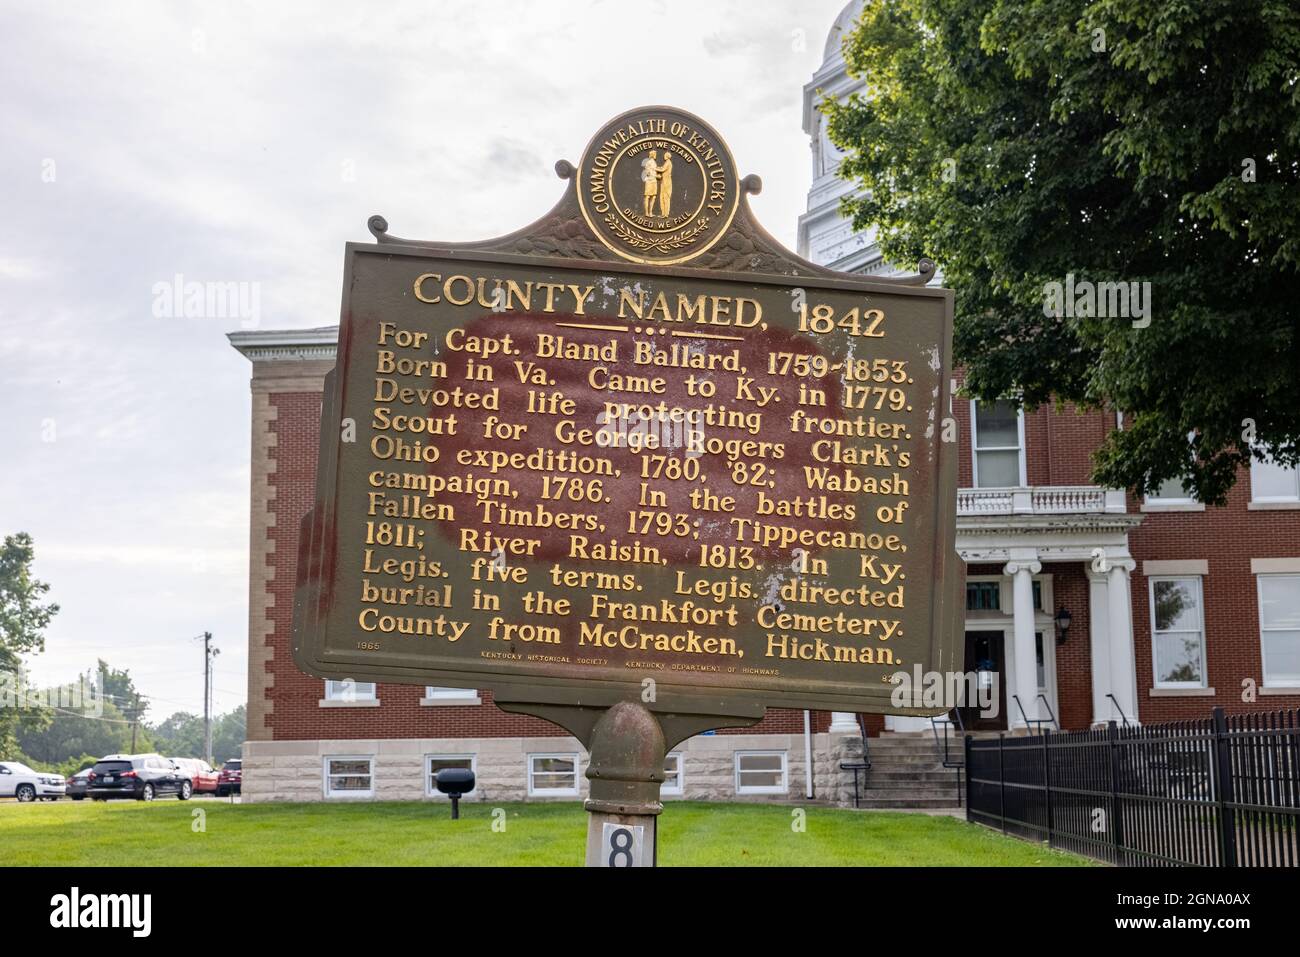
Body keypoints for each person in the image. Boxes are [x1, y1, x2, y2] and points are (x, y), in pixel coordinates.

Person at [641, 150, 660, 217]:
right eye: (655, 154)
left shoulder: (654, 162)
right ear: (652, 155)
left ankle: (651, 212)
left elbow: (654, 171)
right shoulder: (648, 162)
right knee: (647, 197)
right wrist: (656, 176)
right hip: (649, 181)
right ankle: (646, 213)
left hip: (654, 181)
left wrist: (656, 175)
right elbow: (648, 173)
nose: (656, 156)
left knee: (654, 197)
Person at [657, 153, 674, 218]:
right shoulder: (667, 162)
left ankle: (666, 214)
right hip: (664, 181)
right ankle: (663, 213)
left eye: (664, 155)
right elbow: (662, 168)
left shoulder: (668, 162)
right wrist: (658, 167)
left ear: (667, 156)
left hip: (666, 182)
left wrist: (653, 168)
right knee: (662, 197)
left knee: (665, 198)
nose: (663, 156)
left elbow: (662, 169)